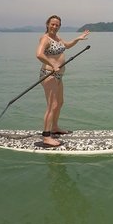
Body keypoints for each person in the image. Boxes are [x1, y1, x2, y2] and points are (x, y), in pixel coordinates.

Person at [36, 15, 90, 147]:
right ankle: (46, 136)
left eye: (57, 25)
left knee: (59, 103)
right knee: (52, 105)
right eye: (52, 24)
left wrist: (77, 39)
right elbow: (39, 54)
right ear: (47, 24)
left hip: (58, 76)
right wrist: (52, 65)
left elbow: (67, 45)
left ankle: (54, 127)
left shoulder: (58, 38)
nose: (54, 26)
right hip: (49, 74)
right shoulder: (45, 38)